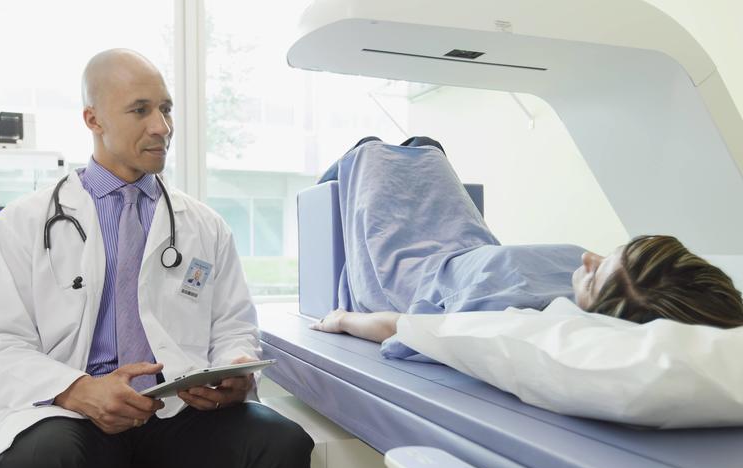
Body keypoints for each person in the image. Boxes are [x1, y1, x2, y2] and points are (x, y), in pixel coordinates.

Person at [0, 49, 313, 468]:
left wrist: (237, 373)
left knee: (282, 446)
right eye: (141, 110)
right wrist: (80, 389)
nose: (162, 127)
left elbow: (234, 327)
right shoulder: (25, 222)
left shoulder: (204, 225)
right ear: (93, 119)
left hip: (176, 416)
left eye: (167, 109)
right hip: (71, 418)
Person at [310, 140, 743, 348]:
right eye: (609, 253)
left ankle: (331, 180)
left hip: (416, 265)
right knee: (426, 147)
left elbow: (402, 326)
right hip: (467, 240)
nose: (588, 258)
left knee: (371, 151)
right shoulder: (627, 283)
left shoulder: (521, 325)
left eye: (594, 275)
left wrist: (343, 319)